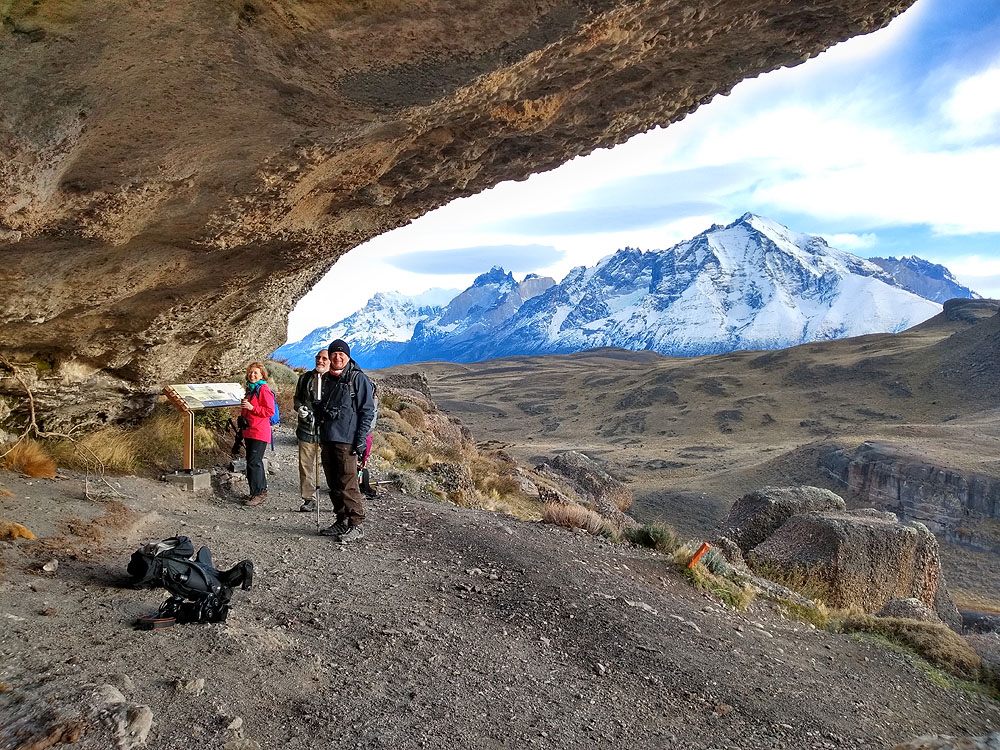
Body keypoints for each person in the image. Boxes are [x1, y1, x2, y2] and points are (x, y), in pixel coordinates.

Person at [315, 339, 375, 543]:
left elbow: (367, 412)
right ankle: (341, 519)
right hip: (328, 438)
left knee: (348, 483)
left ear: (348, 357)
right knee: (334, 483)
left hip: (347, 441)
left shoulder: (357, 379)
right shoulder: (327, 379)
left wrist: (360, 440)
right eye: (334, 354)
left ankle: (355, 524)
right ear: (330, 357)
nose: (337, 357)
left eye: (342, 354)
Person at [293, 349, 330, 512]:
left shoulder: (335, 380)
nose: (320, 361)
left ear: (330, 361)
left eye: (324, 358)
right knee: (306, 465)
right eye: (318, 358)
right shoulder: (305, 378)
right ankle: (309, 499)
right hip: (306, 429)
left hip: (328, 431)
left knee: (332, 465)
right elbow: (297, 398)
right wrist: (300, 407)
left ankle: (338, 498)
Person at [240, 362, 275, 507]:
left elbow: (269, 411)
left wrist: (252, 407)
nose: (252, 375)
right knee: (252, 462)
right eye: (250, 372)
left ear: (262, 375)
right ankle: (256, 491)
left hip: (259, 431)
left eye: (256, 373)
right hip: (250, 430)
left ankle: (260, 492)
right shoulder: (250, 389)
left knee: (255, 462)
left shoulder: (263, 389)